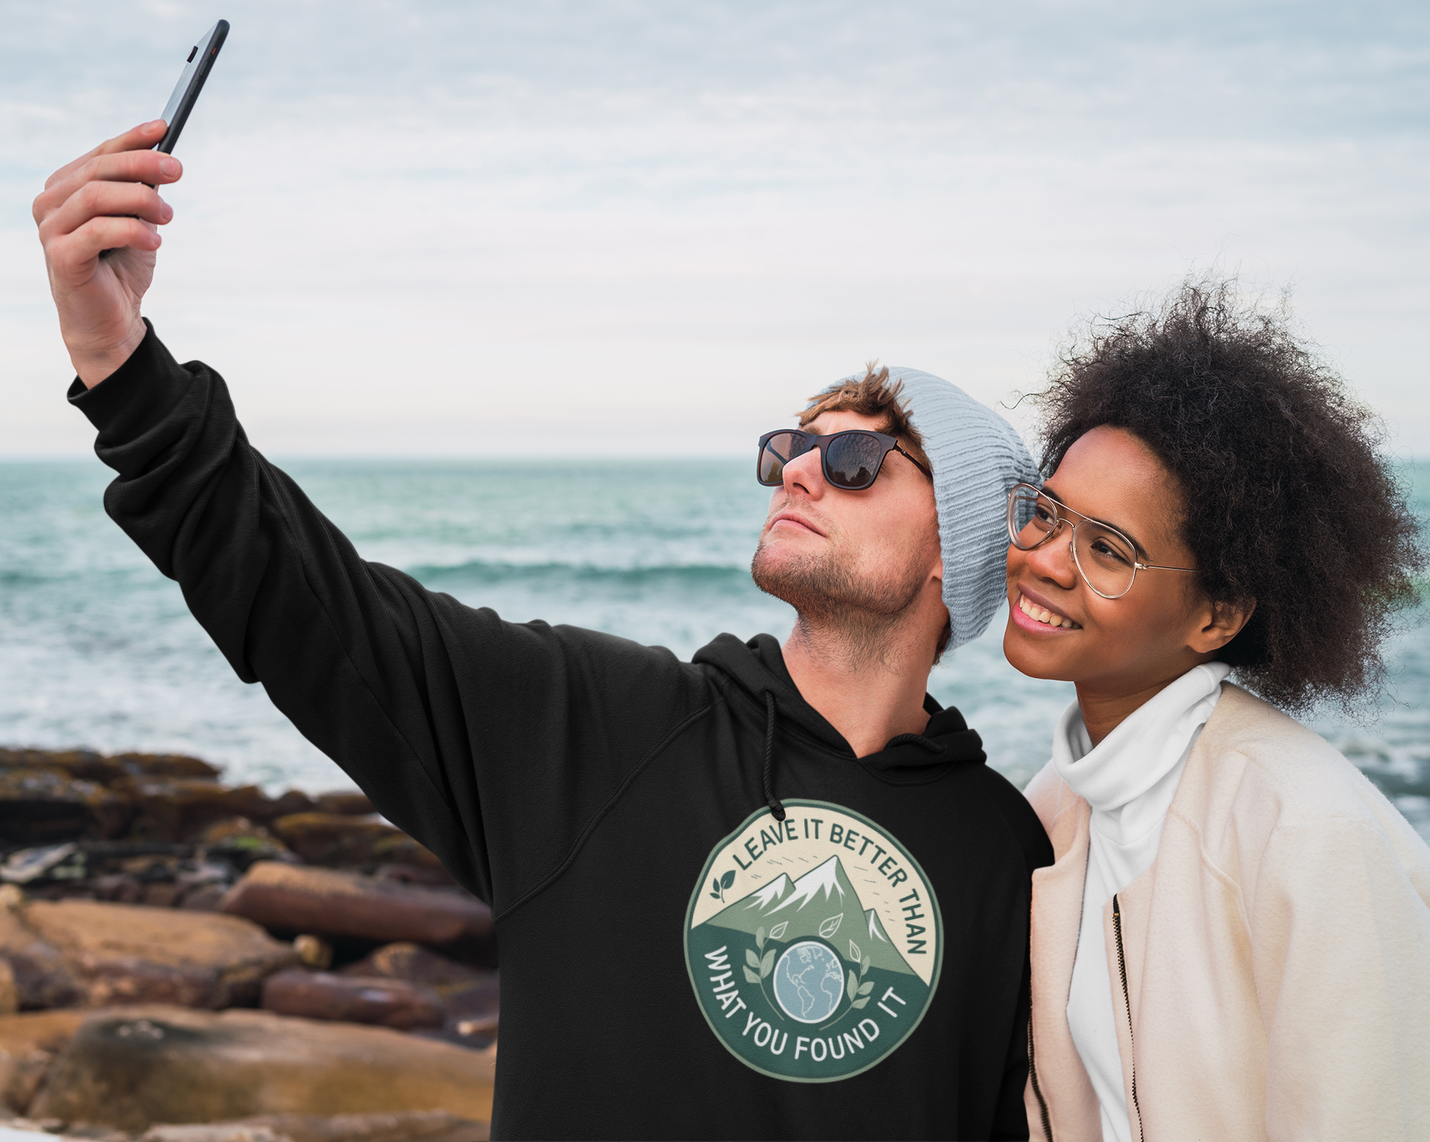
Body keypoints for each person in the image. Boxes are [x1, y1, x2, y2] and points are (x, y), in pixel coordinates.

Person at [34, 121, 1054, 1140]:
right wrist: (120, 363)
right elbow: (318, 609)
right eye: (794, 445)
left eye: (854, 462)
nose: (797, 467)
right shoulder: (602, 726)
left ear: (950, 551)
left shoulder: (1006, 849)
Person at [1005, 282, 1430, 1142]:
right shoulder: (1055, 806)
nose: (1046, 561)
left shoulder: (1302, 829)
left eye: (1107, 549)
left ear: (1218, 615)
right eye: (1047, 514)